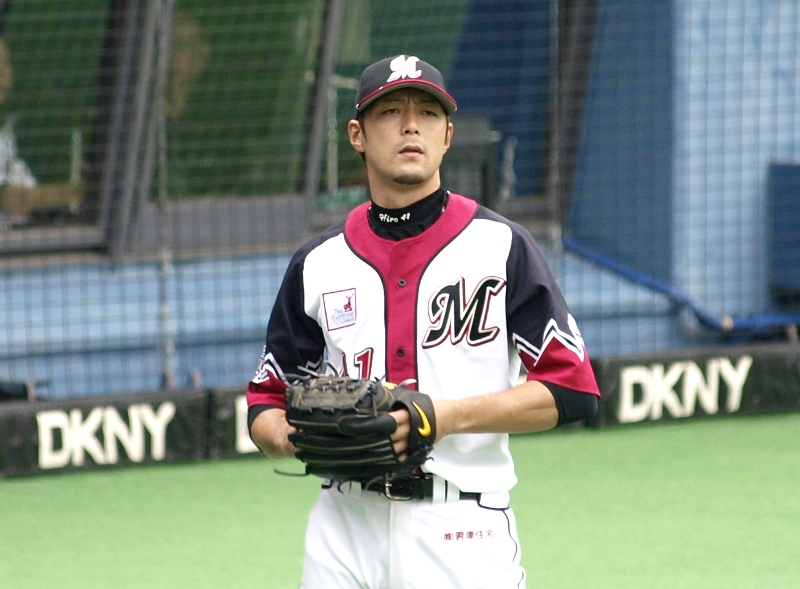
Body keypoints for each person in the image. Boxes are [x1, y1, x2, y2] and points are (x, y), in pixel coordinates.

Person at [247, 54, 600, 589]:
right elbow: (265, 402)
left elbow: (573, 391)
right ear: (357, 134)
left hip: (461, 528)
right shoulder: (317, 263)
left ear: (448, 134)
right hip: (343, 527)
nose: (411, 124)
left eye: (427, 113)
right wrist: (300, 438)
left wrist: (442, 417)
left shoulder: (501, 247)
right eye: (390, 111)